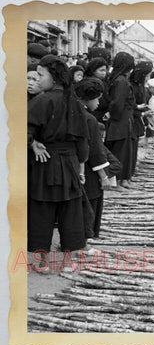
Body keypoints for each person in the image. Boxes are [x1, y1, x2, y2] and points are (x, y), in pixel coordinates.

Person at [27, 54, 90, 269]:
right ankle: (68, 262)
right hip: (70, 163)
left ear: (53, 77)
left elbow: (22, 130)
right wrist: (80, 164)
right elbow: (83, 140)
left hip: (45, 162)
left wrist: (32, 143)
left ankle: (42, 263)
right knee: (70, 211)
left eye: (40, 75)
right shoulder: (74, 102)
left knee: (42, 210)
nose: (37, 79)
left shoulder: (41, 101)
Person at [75, 77, 113, 237]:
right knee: (90, 200)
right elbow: (96, 151)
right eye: (97, 98)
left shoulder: (70, 111)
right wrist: (104, 177)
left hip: (71, 165)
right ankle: (85, 236)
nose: (98, 103)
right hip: (88, 170)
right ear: (89, 97)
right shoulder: (89, 120)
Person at [104, 51, 137, 190]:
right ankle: (116, 181)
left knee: (124, 151)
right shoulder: (121, 81)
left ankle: (123, 179)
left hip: (122, 120)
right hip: (121, 121)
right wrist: (113, 115)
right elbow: (117, 103)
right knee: (120, 152)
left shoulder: (117, 79)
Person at [129, 61, 153, 156]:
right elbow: (128, 106)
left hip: (138, 122)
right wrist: (141, 113)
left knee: (135, 148)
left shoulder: (141, 86)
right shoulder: (130, 86)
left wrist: (147, 123)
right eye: (147, 76)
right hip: (131, 122)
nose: (148, 79)